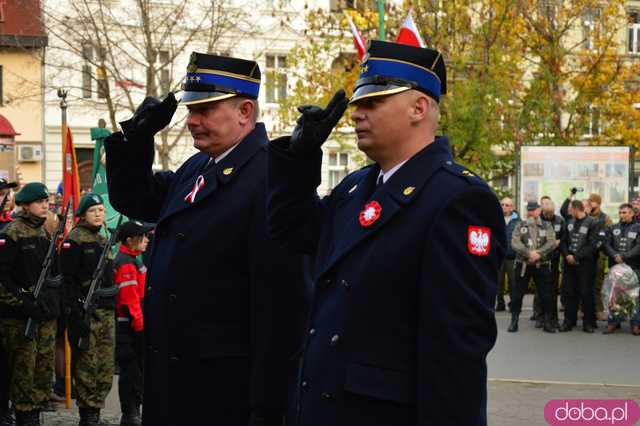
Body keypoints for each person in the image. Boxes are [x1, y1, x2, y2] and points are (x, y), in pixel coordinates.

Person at [267, 40, 506, 425]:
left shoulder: (457, 200)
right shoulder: (354, 188)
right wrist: (298, 161)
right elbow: (293, 232)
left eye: (373, 103)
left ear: (418, 108)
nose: (356, 114)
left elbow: (455, 355)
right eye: (357, 104)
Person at [104, 52, 310, 426]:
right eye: (190, 110)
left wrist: (268, 410)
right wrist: (136, 140)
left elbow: (281, 313)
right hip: (175, 386)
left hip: (225, 394)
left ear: (245, 112)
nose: (192, 122)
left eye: (206, 110)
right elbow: (137, 198)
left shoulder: (269, 178)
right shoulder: (198, 167)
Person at [0, 183, 62, 426]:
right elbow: (3, 279)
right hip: (19, 319)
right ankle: (26, 418)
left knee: (42, 372)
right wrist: (23, 303)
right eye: (40, 201)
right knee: (23, 374)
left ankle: (33, 416)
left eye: (46, 201)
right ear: (25, 205)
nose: (45, 205)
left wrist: (53, 305)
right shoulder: (11, 234)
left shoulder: (43, 233)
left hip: (43, 317)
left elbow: (50, 277)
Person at [60, 193, 116, 426]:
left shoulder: (103, 240)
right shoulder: (74, 240)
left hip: (106, 312)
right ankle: (88, 415)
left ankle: (97, 410)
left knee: (104, 365)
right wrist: (75, 312)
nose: (98, 214)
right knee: (86, 365)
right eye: (93, 210)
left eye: (101, 210)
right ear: (82, 214)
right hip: (85, 313)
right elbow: (68, 281)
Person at [113, 221, 151, 426]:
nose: (146, 240)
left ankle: (134, 411)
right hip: (128, 327)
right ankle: (130, 414)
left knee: (136, 372)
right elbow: (130, 300)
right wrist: (140, 327)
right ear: (130, 240)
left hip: (134, 324)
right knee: (130, 373)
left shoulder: (134, 258)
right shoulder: (126, 262)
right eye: (142, 237)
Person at [509, 201, 557, 333]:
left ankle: (547, 322)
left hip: (542, 265)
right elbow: (515, 242)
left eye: (534, 209)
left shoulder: (547, 225)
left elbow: (552, 242)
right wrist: (529, 253)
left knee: (546, 295)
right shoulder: (520, 225)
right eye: (529, 210)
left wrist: (539, 253)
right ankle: (514, 321)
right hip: (523, 265)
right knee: (517, 295)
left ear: (539, 210)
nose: (531, 212)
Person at [560, 200, 599, 333]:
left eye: (571, 209)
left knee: (585, 293)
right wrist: (567, 256)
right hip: (569, 264)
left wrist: (576, 257)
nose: (569, 211)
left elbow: (592, 245)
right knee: (569, 293)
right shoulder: (568, 222)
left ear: (577, 209)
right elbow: (563, 241)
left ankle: (588, 323)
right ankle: (568, 321)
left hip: (585, 264)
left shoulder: (593, 223)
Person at [602, 203, 640, 335]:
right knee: (615, 296)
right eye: (620, 213)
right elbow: (606, 244)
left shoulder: (638, 227)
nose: (622, 215)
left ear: (632, 213)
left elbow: (638, 246)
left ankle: (635, 324)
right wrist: (615, 255)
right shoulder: (612, 228)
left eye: (625, 212)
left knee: (634, 297)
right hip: (616, 268)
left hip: (634, 268)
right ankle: (613, 323)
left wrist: (624, 256)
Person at [588, 193, 612, 325]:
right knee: (584, 283)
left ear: (598, 203)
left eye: (592, 201)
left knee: (597, 284)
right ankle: (583, 309)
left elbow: (608, 236)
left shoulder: (605, 218)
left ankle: (598, 310)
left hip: (599, 256)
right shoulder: (585, 215)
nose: (590, 203)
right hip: (586, 255)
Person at [540, 198, 565, 327]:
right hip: (541, 260)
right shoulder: (537, 221)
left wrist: (559, 241)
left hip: (554, 260)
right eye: (546, 214)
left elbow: (564, 237)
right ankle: (542, 317)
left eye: (551, 214)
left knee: (553, 291)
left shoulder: (560, 221)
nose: (549, 216)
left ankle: (554, 319)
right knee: (543, 291)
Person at [497, 198, 519, 311]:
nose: (504, 207)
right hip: (499, 257)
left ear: (512, 207)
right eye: (502, 204)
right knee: (498, 282)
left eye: (507, 205)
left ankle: (512, 303)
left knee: (513, 282)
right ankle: (500, 304)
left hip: (512, 256)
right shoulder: (496, 218)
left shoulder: (518, 221)